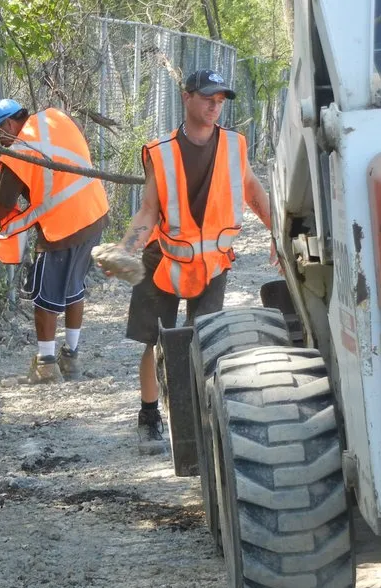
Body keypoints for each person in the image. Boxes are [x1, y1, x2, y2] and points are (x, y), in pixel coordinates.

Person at [110, 69, 273, 454]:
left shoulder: (235, 145)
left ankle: (199, 422)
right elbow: (148, 209)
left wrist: (277, 233)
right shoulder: (160, 152)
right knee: (154, 341)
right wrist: (126, 250)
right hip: (163, 258)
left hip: (214, 263)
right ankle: (149, 417)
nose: (215, 107)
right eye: (207, 99)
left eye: (220, 101)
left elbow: (252, 190)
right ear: (187, 97)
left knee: (206, 341)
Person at [0, 98, 109, 383]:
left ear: (9, 124)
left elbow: (3, 205)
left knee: (45, 297)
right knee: (74, 287)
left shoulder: (18, 153)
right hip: (95, 211)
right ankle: (71, 358)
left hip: (64, 227)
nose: (0, 143)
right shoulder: (56, 117)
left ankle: (46, 365)